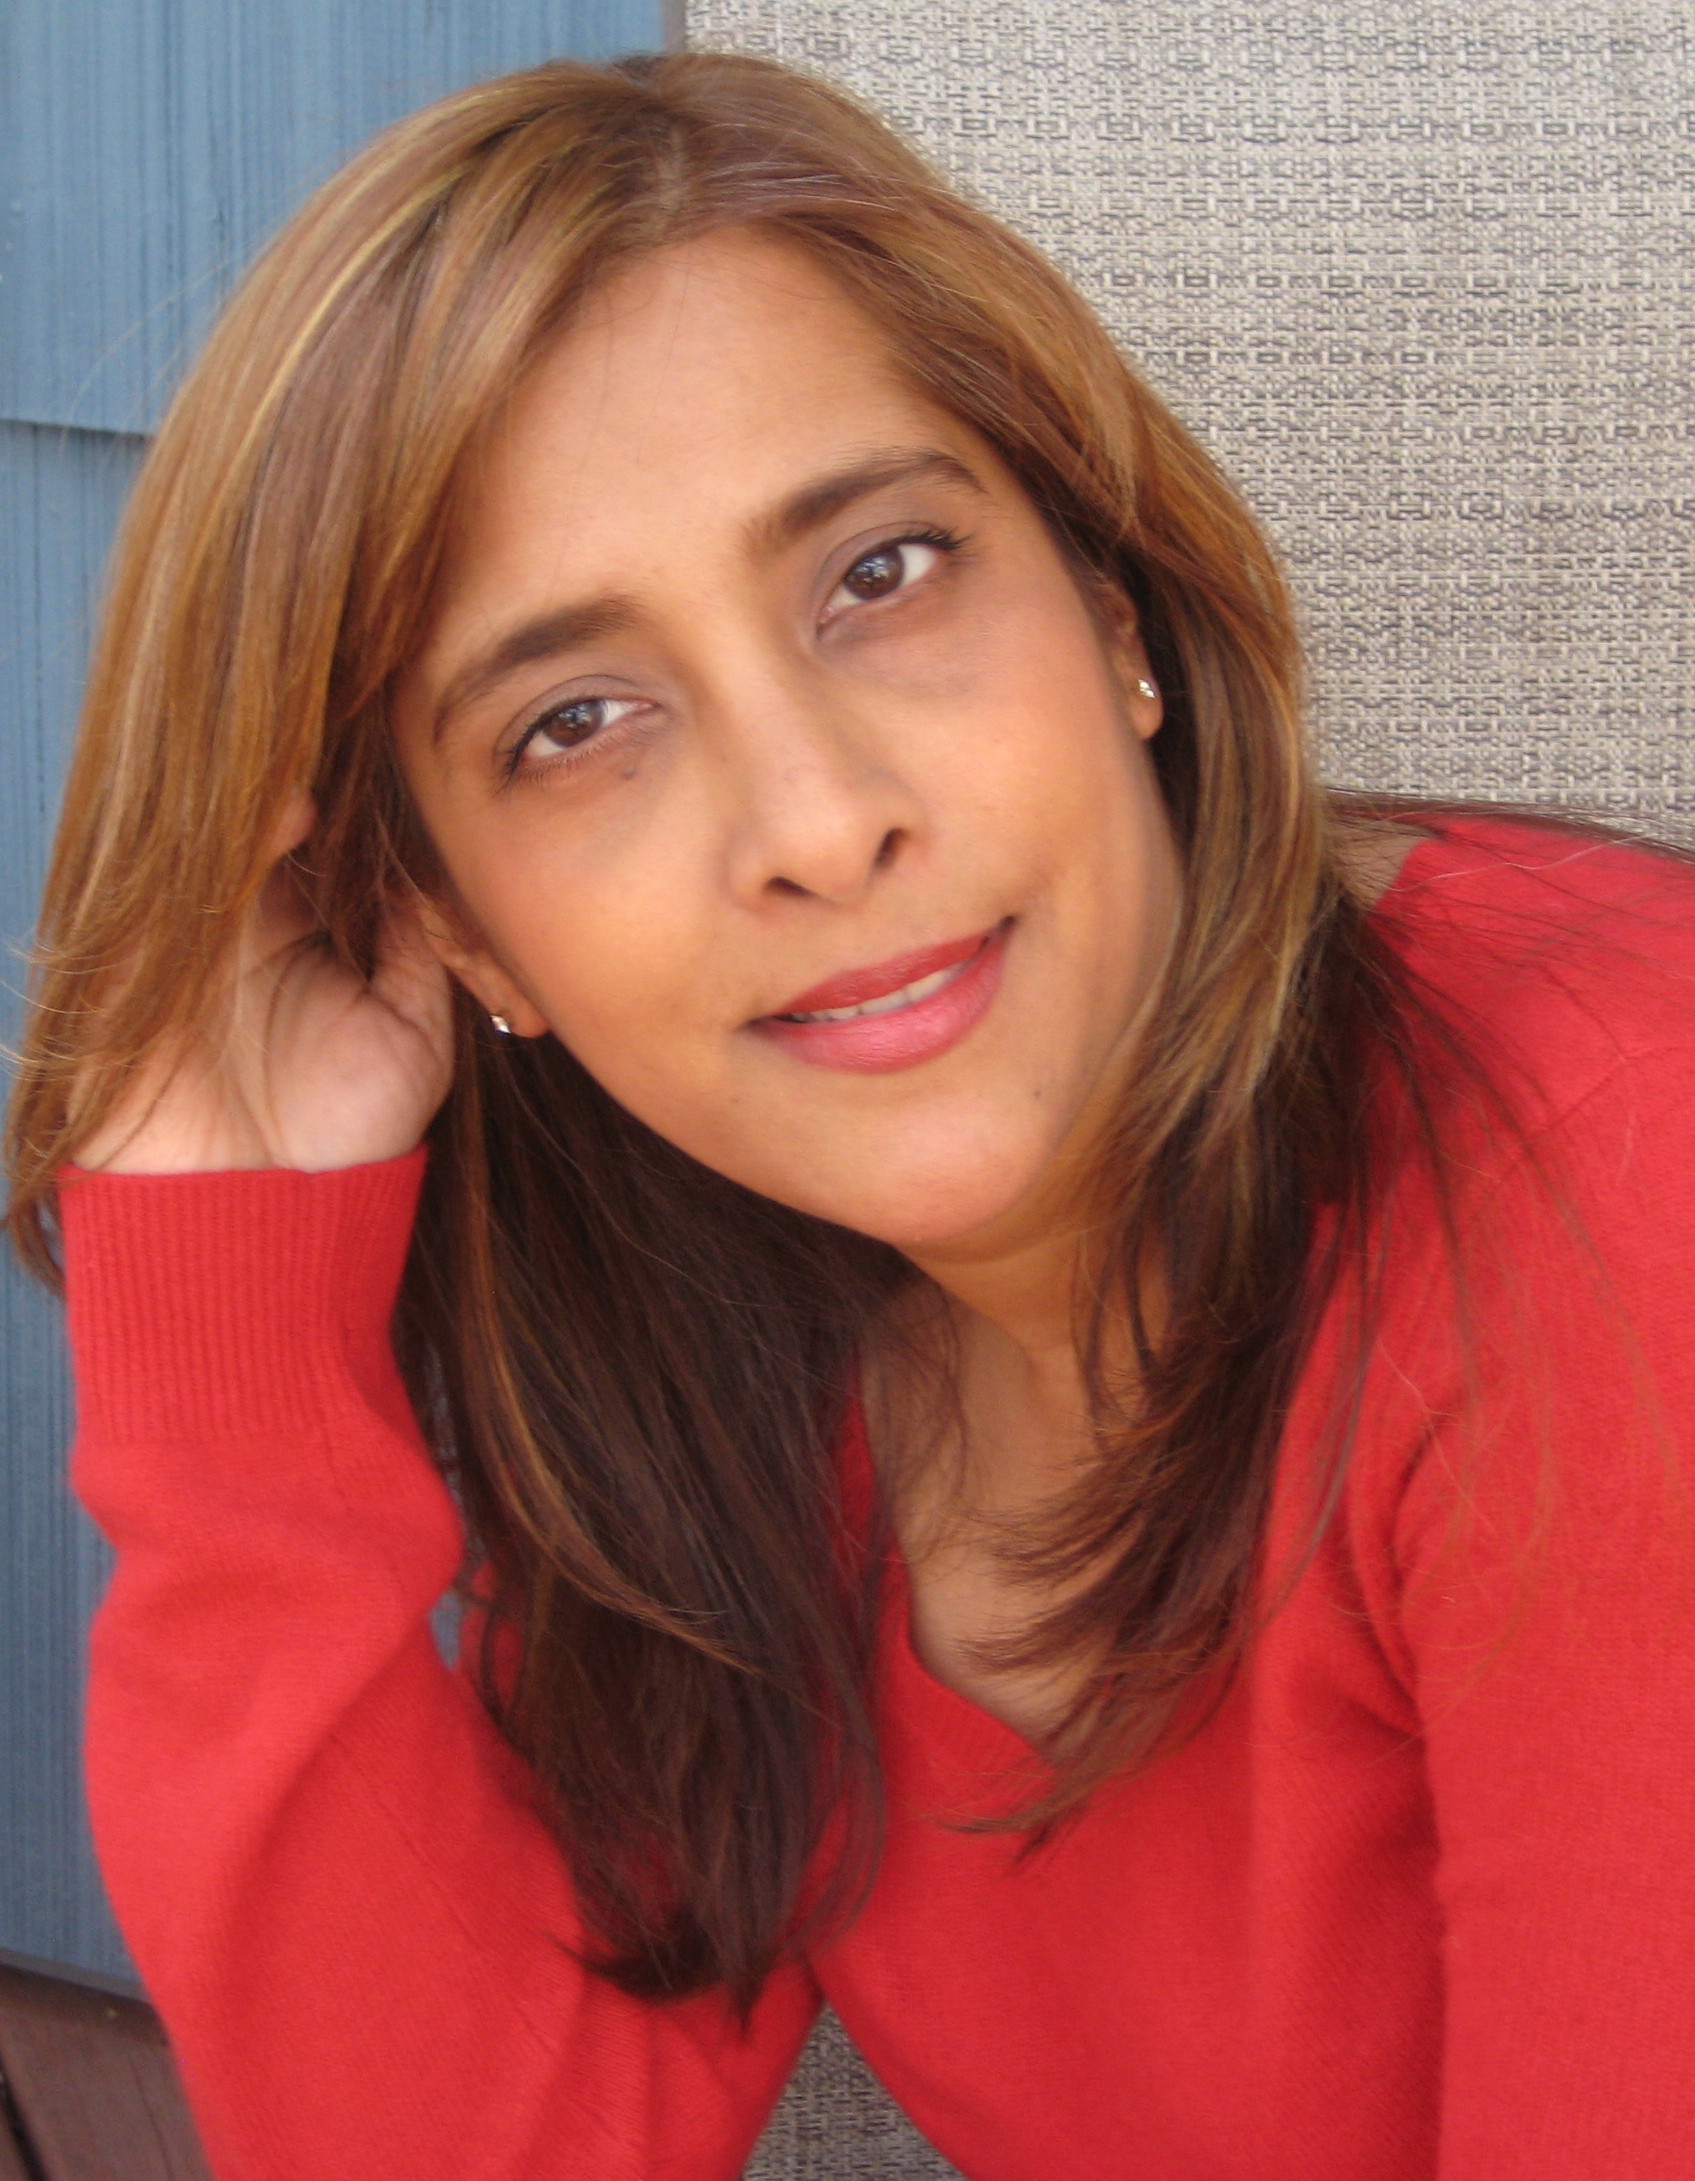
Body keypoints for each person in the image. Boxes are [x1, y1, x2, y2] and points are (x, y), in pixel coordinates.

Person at [6, 48, 1695, 2181]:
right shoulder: (724, 1349)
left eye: (882, 572)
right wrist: (234, 1365)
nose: (816, 819)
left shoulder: (1621, 1180)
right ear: (453, 927)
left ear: (1113, 604)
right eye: (574, 721)